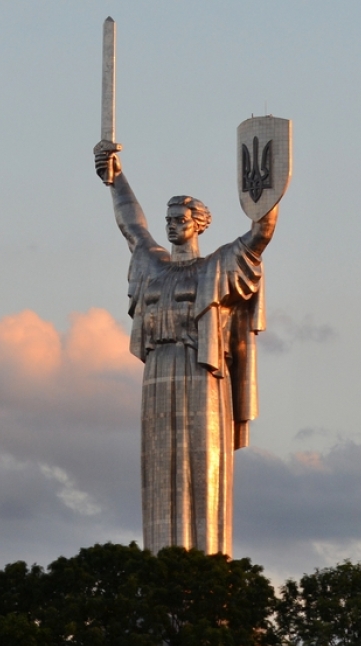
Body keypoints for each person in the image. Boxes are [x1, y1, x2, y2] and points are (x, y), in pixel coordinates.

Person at [95, 142, 278, 556]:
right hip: (158, 374)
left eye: (180, 219)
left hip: (202, 374)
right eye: (169, 220)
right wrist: (115, 178)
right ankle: (162, 573)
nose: (172, 226)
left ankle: (207, 573)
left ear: (199, 225)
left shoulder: (216, 266)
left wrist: (267, 193)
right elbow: (131, 226)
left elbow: (260, 234)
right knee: (161, 474)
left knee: (201, 470)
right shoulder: (152, 264)